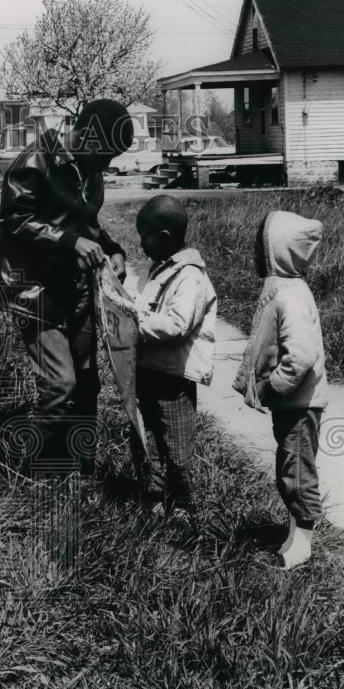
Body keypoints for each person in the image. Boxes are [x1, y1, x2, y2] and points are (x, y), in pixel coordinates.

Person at [0, 98, 135, 476]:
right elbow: (15, 221)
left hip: (77, 290)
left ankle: (82, 471)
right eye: (105, 156)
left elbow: (85, 223)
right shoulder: (33, 162)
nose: (106, 166)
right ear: (88, 134)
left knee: (87, 382)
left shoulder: (89, 167)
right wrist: (68, 242)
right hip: (36, 293)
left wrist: (112, 249)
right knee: (61, 386)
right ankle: (36, 474)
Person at [232, 210, 328, 569]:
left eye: (262, 249)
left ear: (280, 254)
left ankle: (303, 544)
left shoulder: (290, 296)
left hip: (299, 405)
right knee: (290, 469)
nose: (255, 255)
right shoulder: (282, 289)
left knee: (298, 473)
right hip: (292, 405)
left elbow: (300, 356)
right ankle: (294, 534)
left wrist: (273, 387)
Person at [129, 195, 217, 517]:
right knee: (145, 436)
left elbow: (178, 325)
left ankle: (182, 505)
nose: (141, 244)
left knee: (176, 444)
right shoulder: (157, 270)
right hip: (149, 371)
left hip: (174, 377)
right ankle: (151, 496)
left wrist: (133, 323)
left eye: (144, 236)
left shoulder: (191, 277)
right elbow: (144, 303)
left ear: (164, 238)